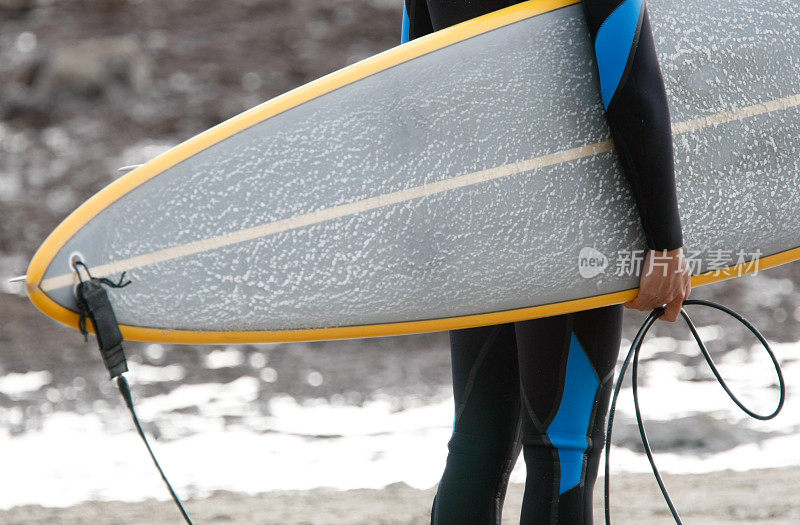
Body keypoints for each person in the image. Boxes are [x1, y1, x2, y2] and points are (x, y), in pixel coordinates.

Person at [400, 1, 692, 523]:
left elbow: (411, 83)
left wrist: (434, 229)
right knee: (562, 448)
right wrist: (665, 242)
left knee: (477, 442)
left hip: (475, 215)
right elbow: (628, 78)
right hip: (567, 221)